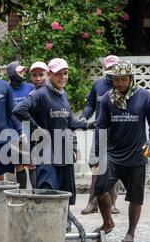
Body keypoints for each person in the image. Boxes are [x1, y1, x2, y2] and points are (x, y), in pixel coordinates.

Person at [13, 58, 96, 232]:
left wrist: (87, 125)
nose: (63, 77)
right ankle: (44, 228)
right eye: (58, 74)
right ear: (50, 75)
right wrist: (37, 128)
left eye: (65, 73)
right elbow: (19, 110)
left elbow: (70, 121)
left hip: (64, 152)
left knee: (65, 192)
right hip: (45, 153)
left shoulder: (63, 95)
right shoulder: (40, 94)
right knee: (47, 191)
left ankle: (62, 224)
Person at [94, 60, 150, 242]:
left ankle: (131, 233)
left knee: (135, 196)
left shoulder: (145, 97)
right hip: (113, 154)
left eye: (123, 79)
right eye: (116, 79)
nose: (120, 83)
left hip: (136, 155)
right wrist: (98, 153)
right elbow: (101, 126)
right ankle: (108, 222)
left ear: (131, 79)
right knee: (100, 188)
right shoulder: (108, 98)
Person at [80, 55, 121, 215]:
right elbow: (91, 104)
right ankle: (92, 203)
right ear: (105, 69)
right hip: (100, 133)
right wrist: (84, 116)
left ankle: (111, 204)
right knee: (96, 168)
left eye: (114, 69)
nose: (112, 73)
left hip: (117, 134)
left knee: (114, 169)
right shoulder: (98, 85)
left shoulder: (123, 86)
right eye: (109, 69)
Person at [7, 61, 36, 188]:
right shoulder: (7, 90)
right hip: (14, 132)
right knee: (19, 165)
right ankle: (21, 195)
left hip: (30, 130)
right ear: (12, 73)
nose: (23, 73)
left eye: (23, 71)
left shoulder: (30, 87)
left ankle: (36, 196)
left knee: (32, 163)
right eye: (19, 71)